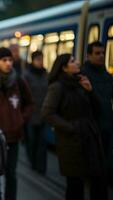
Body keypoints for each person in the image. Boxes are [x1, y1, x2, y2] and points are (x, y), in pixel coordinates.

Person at [41, 54, 107, 200]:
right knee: (75, 185)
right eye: (73, 61)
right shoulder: (57, 87)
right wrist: (72, 128)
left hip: (89, 139)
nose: (77, 63)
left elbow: (97, 110)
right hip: (72, 143)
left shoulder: (80, 82)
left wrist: (90, 91)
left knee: (98, 180)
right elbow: (47, 113)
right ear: (64, 68)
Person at [0, 47, 33, 200]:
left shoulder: (18, 80)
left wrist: (20, 119)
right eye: (4, 60)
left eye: (10, 60)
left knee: (11, 174)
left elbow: (29, 103)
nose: (8, 63)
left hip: (13, 136)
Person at [81, 41, 113, 186]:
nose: (101, 56)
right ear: (89, 56)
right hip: (91, 127)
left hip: (106, 125)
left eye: (102, 53)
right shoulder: (83, 76)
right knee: (94, 169)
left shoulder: (107, 76)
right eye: (97, 53)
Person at [23, 51, 48, 174]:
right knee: (32, 141)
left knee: (42, 142)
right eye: (38, 59)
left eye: (42, 59)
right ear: (33, 61)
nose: (41, 62)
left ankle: (41, 167)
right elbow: (24, 95)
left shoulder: (45, 74)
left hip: (43, 113)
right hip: (31, 113)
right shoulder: (27, 75)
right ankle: (32, 163)